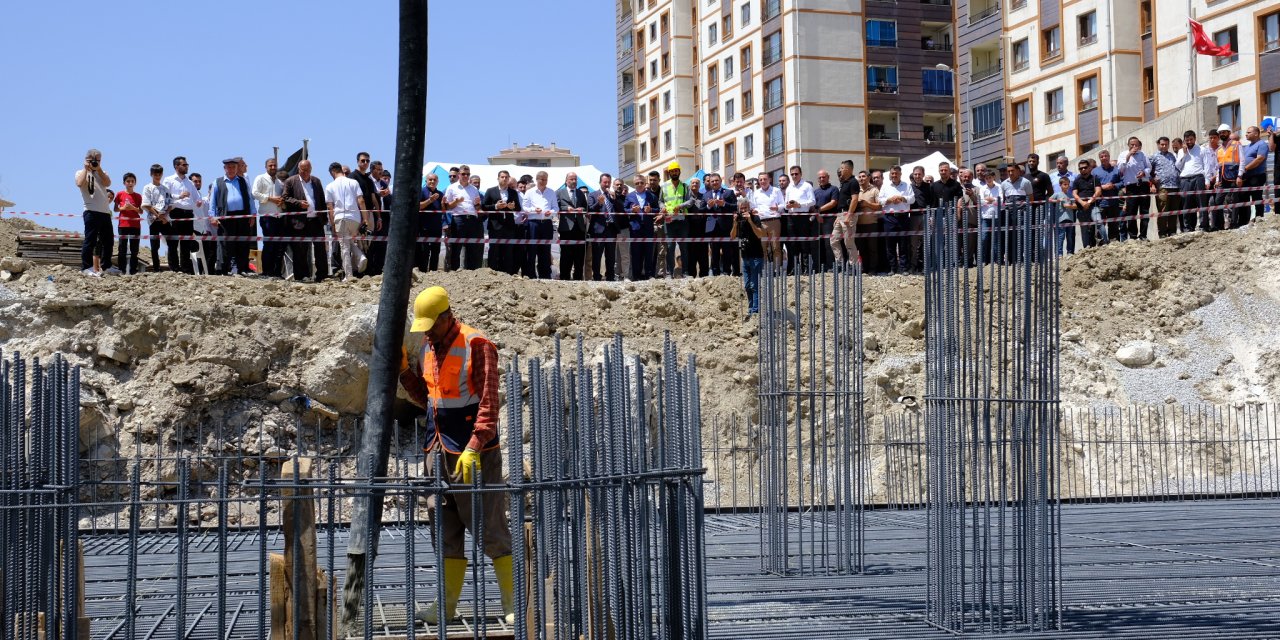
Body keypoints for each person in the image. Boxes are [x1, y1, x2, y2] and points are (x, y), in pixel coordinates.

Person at [399, 286, 515, 627]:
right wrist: (406, 371)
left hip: (472, 454)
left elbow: (489, 405)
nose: (428, 332)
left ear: (447, 317)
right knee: (443, 529)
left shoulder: (477, 345)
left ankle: (513, 601)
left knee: (489, 524)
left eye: (431, 325)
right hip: (437, 450)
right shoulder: (428, 347)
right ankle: (446, 605)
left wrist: (474, 447)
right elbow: (428, 399)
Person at [281, 159, 329, 282]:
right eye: (303, 170)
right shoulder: (291, 181)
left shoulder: (316, 181)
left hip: (316, 221)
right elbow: (285, 198)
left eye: (308, 170)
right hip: (299, 222)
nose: (306, 172)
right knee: (300, 251)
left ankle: (322, 275)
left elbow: (321, 200)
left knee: (320, 250)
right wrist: (298, 203)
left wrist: (324, 219)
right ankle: (302, 276)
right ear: (299, 169)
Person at [324, 161, 371, 281]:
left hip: (340, 217)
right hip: (355, 218)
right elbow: (361, 201)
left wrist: (332, 223)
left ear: (332, 172)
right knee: (349, 242)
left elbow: (330, 207)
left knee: (344, 246)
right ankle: (360, 257)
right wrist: (365, 219)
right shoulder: (353, 182)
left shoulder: (329, 186)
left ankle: (348, 275)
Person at [208, 158, 256, 275]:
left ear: (236, 168)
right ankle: (223, 270)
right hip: (225, 217)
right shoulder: (218, 182)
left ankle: (242, 269)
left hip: (242, 216)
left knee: (243, 243)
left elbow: (250, 199)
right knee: (225, 244)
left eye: (233, 167)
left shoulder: (243, 181)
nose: (231, 169)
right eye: (228, 167)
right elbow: (212, 201)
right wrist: (212, 217)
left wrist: (253, 214)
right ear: (224, 169)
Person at [75, 149, 114, 276]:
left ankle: (106, 266)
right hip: (91, 211)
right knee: (90, 240)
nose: (95, 162)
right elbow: (80, 183)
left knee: (108, 241)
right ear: (86, 159)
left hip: (104, 212)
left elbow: (108, 182)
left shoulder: (101, 172)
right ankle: (87, 267)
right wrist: (86, 169)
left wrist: (98, 169)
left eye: (98, 160)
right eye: (93, 160)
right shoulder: (80, 173)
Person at [730, 202, 767, 317]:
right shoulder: (739, 220)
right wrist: (735, 223)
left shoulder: (755, 218)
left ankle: (755, 310)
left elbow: (760, 234)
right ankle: (751, 308)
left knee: (754, 285)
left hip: (756, 256)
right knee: (747, 285)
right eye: (741, 208)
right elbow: (732, 236)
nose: (743, 210)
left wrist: (750, 221)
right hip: (745, 257)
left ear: (749, 209)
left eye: (745, 208)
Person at [443, 165, 484, 271]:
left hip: (472, 219)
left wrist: (478, 205)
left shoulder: (474, 188)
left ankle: (471, 272)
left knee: (472, 247)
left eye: (467, 174)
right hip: (458, 219)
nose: (465, 176)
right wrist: (456, 202)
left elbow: (477, 207)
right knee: (456, 247)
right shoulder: (451, 187)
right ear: (459, 175)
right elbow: (447, 206)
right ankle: (454, 271)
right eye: (463, 174)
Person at [482, 170, 522, 276]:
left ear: (509, 179)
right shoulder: (490, 191)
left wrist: (512, 207)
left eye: (506, 177)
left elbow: (518, 208)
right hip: (495, 226)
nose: (504, 179)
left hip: (509, 226)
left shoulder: (513, 192)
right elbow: (484, 207)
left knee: (508, 252)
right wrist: (495, 206)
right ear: (498, 178)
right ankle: (492, 274)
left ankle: (507, 274)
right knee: (494, 251)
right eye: (502, 177)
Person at [349, 153, 383, 274]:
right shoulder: (352, 177)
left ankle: (367, 269)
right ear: (358, 161)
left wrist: (379, 217)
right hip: (357, 214)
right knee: (357, 242)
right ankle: (356, 270)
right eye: (363, 161)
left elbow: (374, 199)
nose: (365, 163)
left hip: (369, 213)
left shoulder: (369, 179)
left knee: (369, 243)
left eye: (367, 161)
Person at [163, 156, 198, 274]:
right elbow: (164, 197)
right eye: (184, 165)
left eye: (187, 164)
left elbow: (196, 197)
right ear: (176, 166)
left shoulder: (190, 183)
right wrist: (179, 196)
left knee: (186, 243)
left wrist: (198, 202)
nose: (187, 166)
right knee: (173, 242)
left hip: (188, 213)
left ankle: (185, 269)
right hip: (174, 211)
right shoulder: (169, 180)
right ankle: (174, 268)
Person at [877, 165, 914, 273]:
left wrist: (902, 198)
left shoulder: (907, 186)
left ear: (900, 174)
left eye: (896, 173)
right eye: (892, 173)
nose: (894, 175)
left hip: (903, 218)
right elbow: (880, 201)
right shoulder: (885, 186)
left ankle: (904, 268)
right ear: (890, 174)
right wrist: (889, 200)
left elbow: (912, 199)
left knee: (903, 244)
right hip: (889, 218)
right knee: (890, 245)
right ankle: (893, 268)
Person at [253, 158, 286, 277]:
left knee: (278, 246)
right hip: (267, 217)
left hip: (279, 217)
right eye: (270, 165)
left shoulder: (280, 183)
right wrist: (270, 198)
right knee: (269, 244)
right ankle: (266, 271)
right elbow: (255, 193)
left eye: (274, 165)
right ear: (266, 167)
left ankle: (276, 272)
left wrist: (281, 201)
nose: (273, 167)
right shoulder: (260, 178)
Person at [522, 171, 558, 279]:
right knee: (532, 250)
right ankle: (531, 275)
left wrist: (550, 212)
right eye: (541, 179)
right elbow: (524, 207)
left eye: (545, 179)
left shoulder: (551, 192)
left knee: (545, 250)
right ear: (537, 179)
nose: (543, 181)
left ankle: (545, 275)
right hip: (533, 223)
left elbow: (556, 208)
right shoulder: (529, 192)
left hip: (546, 223)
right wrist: (533, 210)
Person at [659, 162, 691, 278]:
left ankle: (686, 272)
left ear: (679, 172)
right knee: (670, 248)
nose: (674, 173)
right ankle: (669, 273)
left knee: (684, 248)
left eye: (676, 171)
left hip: (682, 221)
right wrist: (662, 208)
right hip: (669, 221)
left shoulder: (685, 186)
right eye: (672, 171)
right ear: (669, 173)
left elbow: (690, 201)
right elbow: (660, 201)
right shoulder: (664, 186)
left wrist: (680, 206)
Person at [702, 173, 738, 276]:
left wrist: (724, 204)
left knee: (727, 251)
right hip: (712, 227)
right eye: (712, 181)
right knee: (714, 252)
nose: (714, 183)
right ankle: (715, 273)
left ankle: (727, 271)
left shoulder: (729, 192)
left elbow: (736, 207)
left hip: (726, 226)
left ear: (720, 181)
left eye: (716, 180)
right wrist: (708, 206)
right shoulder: (706, 195)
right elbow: (701, 210)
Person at [141, 164, 175, 272]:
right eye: (156, 173)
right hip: (153, 220)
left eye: (160, 173)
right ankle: (156, 268)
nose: (158, 175)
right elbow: (146, 204)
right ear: (151, 174)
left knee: (172, 243)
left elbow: (170, 204)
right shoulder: (147, 187)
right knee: (155, 245)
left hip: (165, 219)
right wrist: (157, 215)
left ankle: (173, 266)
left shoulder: (165, 189)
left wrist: (165, 215)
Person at [556, 172, 590, 280]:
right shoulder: (559, 193)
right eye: (571, 179)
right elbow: (556, 206)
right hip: (566, 228)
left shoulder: (580, 193)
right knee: (566, 255)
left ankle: (578, 279)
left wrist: (581, 209)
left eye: (575, 179)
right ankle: (564, 278)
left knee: (579, 256)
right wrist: (566, 209)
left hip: (579, 228)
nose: (574, 181)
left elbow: (586, 207)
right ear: (566, 181)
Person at [747, 171, 785, 267]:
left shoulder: (776, 191)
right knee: (762, 247)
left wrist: (777, 208)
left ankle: (777, 270)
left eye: (765, 179)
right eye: (761, 180)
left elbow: (783, 205)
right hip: (761, 222)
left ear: (770, 180)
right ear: (759, 181)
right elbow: (752, 206)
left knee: (776, 247)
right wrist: (754, 210)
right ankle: (763, 269)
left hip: (774, 221)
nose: (763, 181)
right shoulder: (756, 193)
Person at [588, 173, 621, 281]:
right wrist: (599, 203)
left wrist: (615, 199)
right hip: (598, 230)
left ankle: (610, 277)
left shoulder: (613, 195)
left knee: (611, 256)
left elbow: (621, 209)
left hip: (611, 229)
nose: (607, 184)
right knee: (597, 255)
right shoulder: (593, 195)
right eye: (605, 182)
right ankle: (597, 277)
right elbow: (590, 210)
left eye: (608, 182)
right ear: (600, 182)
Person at [1117, 138, 1151, 240]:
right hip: (1131, 187)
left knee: (1144, 212)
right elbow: (1120, 169)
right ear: (1128, 145)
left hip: (1143, 185)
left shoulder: (1143, 154)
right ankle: (1133, 236)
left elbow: (1149, 167)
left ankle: (1143, 235)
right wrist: (1128, 156)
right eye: (1132, 145)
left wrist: (1144, 172)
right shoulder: (1123, 155)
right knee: (1131, 212)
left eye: (1136, 145)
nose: (1134, 147)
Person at [784, 166, 816, 273]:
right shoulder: (789, 187)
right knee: (793, 244)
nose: (794, 176)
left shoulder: (807, 186)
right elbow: (786, 203)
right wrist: (788, 206)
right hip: (791, 217)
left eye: (796, 174)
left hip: (803, 216)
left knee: (804, 243)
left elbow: (812, 201)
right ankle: (794, 268)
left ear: (801, 174)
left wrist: (799, 205)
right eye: (792, 174)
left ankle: (806, 268)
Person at [1175, 130, 1209, 232]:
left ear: (1195, 139)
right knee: (1187, 204)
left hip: (1198, 177)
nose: (1189, 142)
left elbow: (1206, 165)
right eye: (1187, 140)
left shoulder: (1202, 149)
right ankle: (1188, 227)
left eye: (1191, 139)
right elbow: (1178, 166)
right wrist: (1184, 154)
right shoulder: (1181, 151)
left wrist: (1207, 180)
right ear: (1184, 141)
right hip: (1185, 179)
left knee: (1201, 203)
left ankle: (1204, 226)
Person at [1236, 125, 1270, 227]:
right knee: (1243, 198)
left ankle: (1259, 219)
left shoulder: (1262, 144)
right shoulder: (1247, 146)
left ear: (1256, 133)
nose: (1246, 134)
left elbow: (1259, 159)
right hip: (1246, 177)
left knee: (1256, 197)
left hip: (1257, 176)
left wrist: (1245, 168)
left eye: (1248, 132)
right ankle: (1243, 221)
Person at [625, 173, 657, 280]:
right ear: (634, 184)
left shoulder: (651, 195)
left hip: (648, 228)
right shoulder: (629, 196)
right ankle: (636, 276)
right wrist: (632, 210)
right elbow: (624, 210)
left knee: (648, 253)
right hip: (635, 229)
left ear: (645, 183)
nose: (639, 185)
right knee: (636, 253)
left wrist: (651, 210)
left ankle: (648, 275)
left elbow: (657, 209)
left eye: (642, 183)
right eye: (637, 183)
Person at [1149, 136, 1181, 238]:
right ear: (1158, 145)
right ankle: (1162, 233)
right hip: (1162, 187)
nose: (1164, 146)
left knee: (1173, 210)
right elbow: (1147, 171)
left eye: (1166, 144)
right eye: (1162, 144)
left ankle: (1172, 232)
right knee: (1163, 211)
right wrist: (1152, 182)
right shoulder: (1154, 157)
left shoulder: (1172, 156)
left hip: (1175, 186)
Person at [831, 160, 860, 267]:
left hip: (849, 215)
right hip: (841, 215)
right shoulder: (844, 183)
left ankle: (853, 266)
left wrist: (849, 215)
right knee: (833, 240)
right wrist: (839, 216)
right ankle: (840, 264)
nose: (841, 170)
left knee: (849, 242)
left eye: (842, 168)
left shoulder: (853, 182)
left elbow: (855, 199)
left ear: (847, 169)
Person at [112, 172, 142, 275]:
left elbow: (141, 211)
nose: (130, 183)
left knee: (134, 249)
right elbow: (115, 209)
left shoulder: (138, 196)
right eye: (128, 181)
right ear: (124, 182)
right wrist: (123, 208)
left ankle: (133, 270)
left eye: (132, 181)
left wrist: (133, 208)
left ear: (135, 183)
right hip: (123, 225)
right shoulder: (120, 194)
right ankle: (122, 270)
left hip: (135, 225)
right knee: (122, 248)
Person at [1092, 151, 1124, 243]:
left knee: (1114, 224)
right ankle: (1101, 243)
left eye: (1106, 156)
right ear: (1099, 158)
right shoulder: (1095, 171)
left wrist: (1113, 185)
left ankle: (1114, 242)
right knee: (1100, 225)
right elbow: (1091, 186)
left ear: (1109, 157)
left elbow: (1122, 182)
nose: (1104, 158)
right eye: (1102, 157)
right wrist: (1102, 187)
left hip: (1113, 202)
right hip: (1100, 203)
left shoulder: (1116, 170)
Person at [812, 169, 840, 271]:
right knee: (818, 244)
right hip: (817, 220)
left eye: (824, 177)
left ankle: (831, 266)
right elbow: (812, 206)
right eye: (820, 177)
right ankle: (820, 266)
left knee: (829, 243)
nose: (822, 179)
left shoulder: (834, 189)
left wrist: (819, 210)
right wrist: (817, 213)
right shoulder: (815, 191)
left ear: (828, 177)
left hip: (829, 220)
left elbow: (833, 203)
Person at [1072, 159, 1102, 249]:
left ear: (1089, 168)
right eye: (1080, 168)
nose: (1083, 170)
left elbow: (1098, 191)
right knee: (1084, 229)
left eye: (1085, 167)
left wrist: (1089, 202)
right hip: (1081, 208)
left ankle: (1104, 242)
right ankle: (1086, 248)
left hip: (1093, 206)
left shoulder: (1094, 178)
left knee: (1099, 223)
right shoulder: (1077, 180)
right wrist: (1082, 203)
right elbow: (1074, 193)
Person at [418, 173, 445, 272]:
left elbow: (443, 210)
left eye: (434, 180)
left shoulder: (440, 194)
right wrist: (430, 200)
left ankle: (433, 272)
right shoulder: (421, 191)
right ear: (426, 181)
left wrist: (443, 204)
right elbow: (418, 206)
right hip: (423, 227)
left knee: (435, 251)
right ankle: (422, 271)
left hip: (437, 227)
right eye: (430, 180)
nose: (432, 182)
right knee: (424, 251)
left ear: (437, 182)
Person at [684, 177, 710, 278]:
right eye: (693, 183)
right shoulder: (686, 197)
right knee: (691, 255)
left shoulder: (703, 196)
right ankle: (691, 276)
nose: (694, 185)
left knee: (703, 254)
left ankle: (704, 276)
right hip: (690, 229)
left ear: (699, 186)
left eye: (696, 183)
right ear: (690, 185)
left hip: (702, 229)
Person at [977, 167, 1004, 263]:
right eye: (986, 178)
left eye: (990, 177)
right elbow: (980, 201)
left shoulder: (999, 187)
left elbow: (1001, 200)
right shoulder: (982, 188)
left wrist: (990, 199)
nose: (988, 179)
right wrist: (992, 200)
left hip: (996, 215)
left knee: (996, 238)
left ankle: (997, 260)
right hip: (985, 216)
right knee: (984, 238)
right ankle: (984, 260)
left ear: (993, 177)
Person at [1051, 176, 1077, 255]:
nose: (1067, 186)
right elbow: (1049, 199)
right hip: (1060, 219)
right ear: (1060, 185)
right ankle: (1059, 254)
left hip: (1070, 218)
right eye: (1065, 184)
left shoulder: (1071, 195)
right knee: (1060, 237)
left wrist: (1069, 206)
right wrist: (1057, 200)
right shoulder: (1057, 194)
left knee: (1069, 237)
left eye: (1068, 184)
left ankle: (1069, 252)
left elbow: (1075, 205)